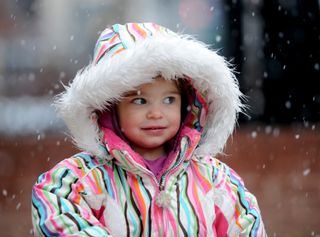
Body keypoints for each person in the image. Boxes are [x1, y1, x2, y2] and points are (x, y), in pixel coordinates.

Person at [32, 22, 267, 236]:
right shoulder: (85, 177)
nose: (156, 113)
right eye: (140, 101)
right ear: (110, 109)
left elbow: (246, 224)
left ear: (187, 106)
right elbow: (54, 210)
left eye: (169, 100)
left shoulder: (213, 179)